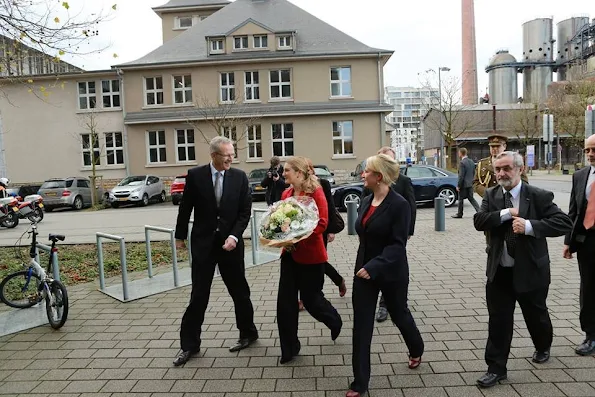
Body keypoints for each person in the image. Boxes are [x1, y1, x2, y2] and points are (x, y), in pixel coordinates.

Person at [473, 151, 572, 388]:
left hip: (531, 270)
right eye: (498, 169)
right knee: (498, 321)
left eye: (506, 168)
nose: (501, 174)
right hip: (500, 270)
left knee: (536, 314)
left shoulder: (538, 196)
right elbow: (479, 221)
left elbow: (563, 222)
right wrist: (506, 214)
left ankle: (542, 345)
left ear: (520, 169)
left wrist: (530, 226)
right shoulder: (491, 194)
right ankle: (496, 368)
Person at [172, 136, 258, 366]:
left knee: (239, 291)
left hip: (230, 244)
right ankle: (189, 345)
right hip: (203, 245)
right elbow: (185, 208)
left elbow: (244, 212)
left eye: (232, 154)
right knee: (198, 295)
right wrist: (180, 236)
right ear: (213, 156)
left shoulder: (240, 177)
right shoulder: (196, 175)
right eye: (226, 155)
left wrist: (234, 236)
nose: (231, 158)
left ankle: (248, 333)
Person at [347, 154, 424, 397]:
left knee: (399, 313)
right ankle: (360, 381)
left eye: (366, 171)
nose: (362, 174)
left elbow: (397, 244)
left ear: (378, 177)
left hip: (391, 270)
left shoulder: (399, 204)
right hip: (363, 271)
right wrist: (365, 266)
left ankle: (416, 348)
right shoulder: (366, 199)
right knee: (361, 325)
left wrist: (375, 266)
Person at [277, 156, 342, 364]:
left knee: (313, 301)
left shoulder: (316, 192)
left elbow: (322, 223)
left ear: (299, 172)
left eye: (287, 170)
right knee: (285, 303)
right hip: (289, 255)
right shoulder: (286, 193)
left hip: (311, 256)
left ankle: (334, 320)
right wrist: (280, 234)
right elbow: (281, 220)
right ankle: (289, 348)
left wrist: (297, 234)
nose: (283, 173)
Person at [362, 146, 417, 323]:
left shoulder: (404, 182)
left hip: (395, 232)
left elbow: (411, 205)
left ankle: (385, 304)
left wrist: (409, 230)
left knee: (392, 265)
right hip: (374, 235)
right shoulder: (368, 187)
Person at [563, 134, 595, 356]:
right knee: (589, 290)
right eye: (587, 150)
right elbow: (573, 211)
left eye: (594, 150)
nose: (591, 154)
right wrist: (568, 241)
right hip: (587, 242)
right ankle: (590, 336)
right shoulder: (580, 176)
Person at [452, 147, 480, 218]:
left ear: (461, 153)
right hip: (470, 184)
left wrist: (458, 185)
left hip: (464, 185)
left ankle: (459, 214)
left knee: (460, 199)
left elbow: (461, 176)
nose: (458, 154)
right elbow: (473, 172)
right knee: (471, 198)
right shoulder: (471, 161)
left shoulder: (462, 163)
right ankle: (480, 211)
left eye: (459, 153)